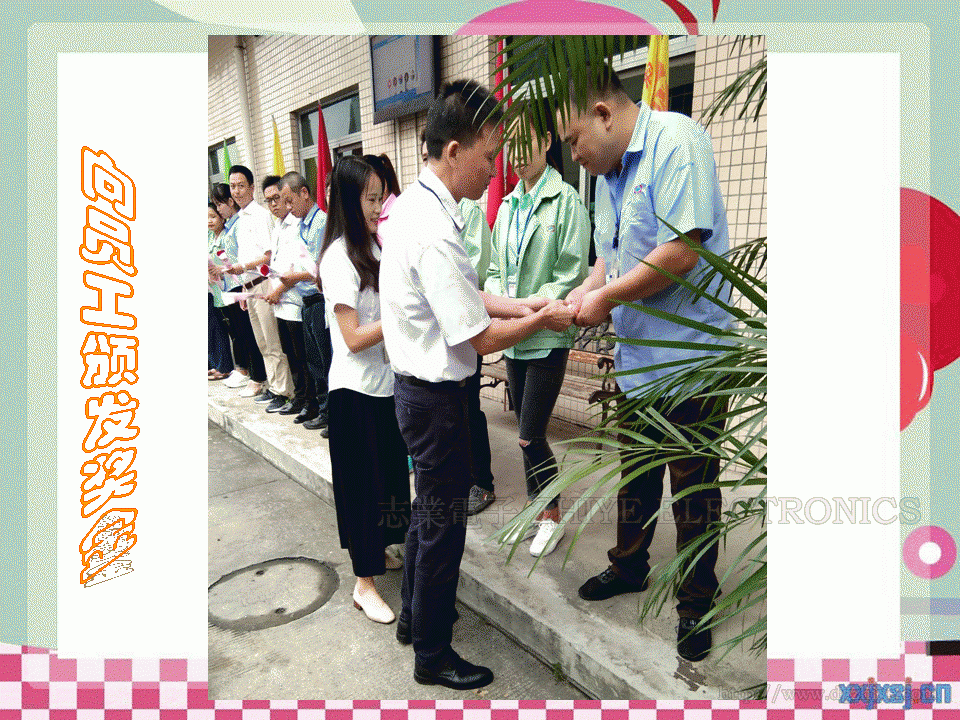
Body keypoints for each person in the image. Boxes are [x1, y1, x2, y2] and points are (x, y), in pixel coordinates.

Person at [379, 79, 576, 691]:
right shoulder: (434, 229)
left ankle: (414, 619)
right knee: (444, 529)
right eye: (489, 157)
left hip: (418, 393)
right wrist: (541, 319)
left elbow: (467, 297)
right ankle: (433, 653)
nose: (495, 170)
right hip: (436, 400)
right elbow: (478, 338)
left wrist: (523, 304)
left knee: (427, 514)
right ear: (454, 150)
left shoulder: (417, 208)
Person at [558, 65, 732, 662]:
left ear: (604, 114)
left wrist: (605, 300)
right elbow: (612, 257)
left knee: (693, 487)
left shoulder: (676, 143)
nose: (574, 156)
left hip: (689, 362)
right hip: (638, 363)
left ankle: (696, 601)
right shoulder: (610, 177)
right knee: (636, 475)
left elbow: (682, 249)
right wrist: (586, 291)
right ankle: (629, 566)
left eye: (574, 140)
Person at [485, 101, 590, 556]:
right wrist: (510, 309)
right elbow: (493, 271)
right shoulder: (509, 205)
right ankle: (536, 508)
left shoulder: (566, 202)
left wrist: (529, 310)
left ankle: (551, 516)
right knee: (528, 434)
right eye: (509, 145)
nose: (516, 153)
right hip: (516, 336)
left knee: (529, 434)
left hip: (546, 334)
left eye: (524, 141)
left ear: (546, 141)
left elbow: (571, 272)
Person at [317, 156, 410, 624]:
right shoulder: (338, 257)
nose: (379, 207)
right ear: (349, 202)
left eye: (381, 197)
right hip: (353, 394)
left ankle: (383, 552)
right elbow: (353, 338)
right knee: (362, 490)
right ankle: (364, 583)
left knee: (390, 481)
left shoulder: (375, 245)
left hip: (385, 387)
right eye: (371, 199)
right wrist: (402, 316)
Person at [420, 132, 497, 516]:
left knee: (470, 408)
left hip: (462, 332)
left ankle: (481, 480)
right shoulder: (428, 218)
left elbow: (474, 279)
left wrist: (528, 310)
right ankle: (466, 478)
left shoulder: (464, 213)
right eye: (487, 157)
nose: (493, 169)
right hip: (438, 355)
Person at [223, 165, 294, 403]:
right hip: (250, 287)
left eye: (241, 186)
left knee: (273, 342)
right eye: (233, 186)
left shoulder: (261, 216)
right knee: (262, 342)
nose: (236, 191)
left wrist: (243, 268)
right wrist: (244, 288)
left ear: (251, 188)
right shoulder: (241, 218)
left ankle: (283, 391)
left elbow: (268, 255)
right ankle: (273, 387)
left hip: (263, 283)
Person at [279, 171, 331, 431]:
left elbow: (319, 269)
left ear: (304, 193)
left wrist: (294, 277)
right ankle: (322, 410)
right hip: (305, 301)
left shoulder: (320, 223)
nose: (288, 207)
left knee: (325, 361)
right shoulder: (301, 225)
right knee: (314, 362)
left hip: (319, 299)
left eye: (290, 201)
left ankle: (331, 414)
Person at [261, 175, 310, 416]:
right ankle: (299, 399)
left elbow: (296, 266)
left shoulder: (296, 224)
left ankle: (309, 402)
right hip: (279, 301)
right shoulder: (277, 226)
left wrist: (278, 290)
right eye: (269, 200)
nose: (274, 204)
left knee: (303, 357)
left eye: (277, 198)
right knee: (290, 354)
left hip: (293, 300)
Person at [210, 183, 267, 393]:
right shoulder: (232, 225)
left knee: (249, 333)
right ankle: (247, 371)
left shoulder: (242, 222)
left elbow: (239, 257)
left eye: (220, 205)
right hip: (235, 283)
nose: (218, 210)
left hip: (242, 281)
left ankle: (254, 375)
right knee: (240, 332)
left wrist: (225, 269)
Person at [208, 202, 234, 381]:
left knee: (226, 330)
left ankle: (226, 367)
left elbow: (229, 263)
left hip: (227, 288)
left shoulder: (226, 236)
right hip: (213, 290)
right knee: (214, 329)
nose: (209, 221)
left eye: (213, 217)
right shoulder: (210, 237)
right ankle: (218, 365)